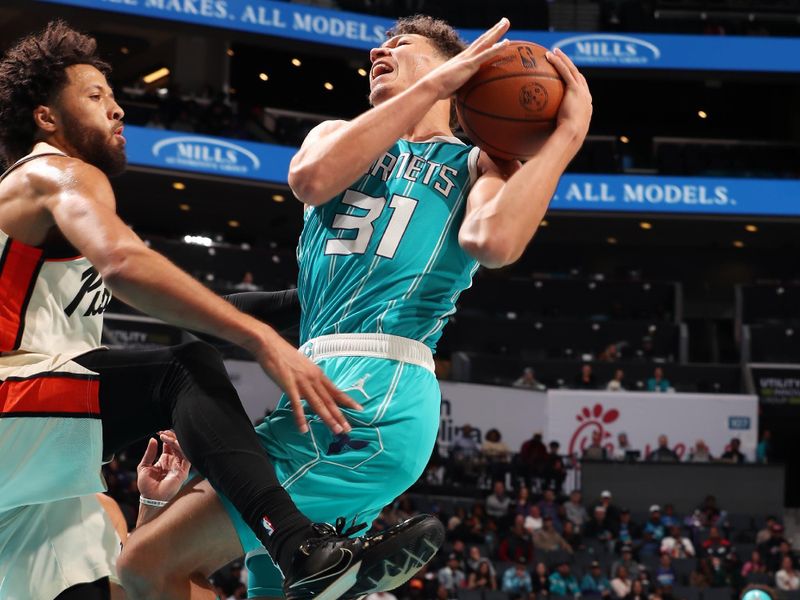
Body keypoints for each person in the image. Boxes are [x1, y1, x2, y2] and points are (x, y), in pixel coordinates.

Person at [131, 12, 591, 597]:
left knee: (143, 564)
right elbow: (311, 178)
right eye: (378, 46)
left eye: (400, 45)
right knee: (235, 584)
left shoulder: (477, 163)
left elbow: (493, 243)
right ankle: (350, 583)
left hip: (381, 383)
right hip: (314, 382)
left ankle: (349, 580)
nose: (379, 51)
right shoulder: (332, 136)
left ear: (454, 68)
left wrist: (567, 138)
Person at [0, 21, 441, 600]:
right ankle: (295, 544)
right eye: (95, 97)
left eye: (113, 97)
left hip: (25, 458)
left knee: (105, 577)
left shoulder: (47, 222)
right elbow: (126, 265)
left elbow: (186, 305)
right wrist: (258, 339)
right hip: (12, 396)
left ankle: (304, 557)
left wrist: (324, 301)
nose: (117, 110)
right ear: (45, 118)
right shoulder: (54, 171)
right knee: (182, 370)